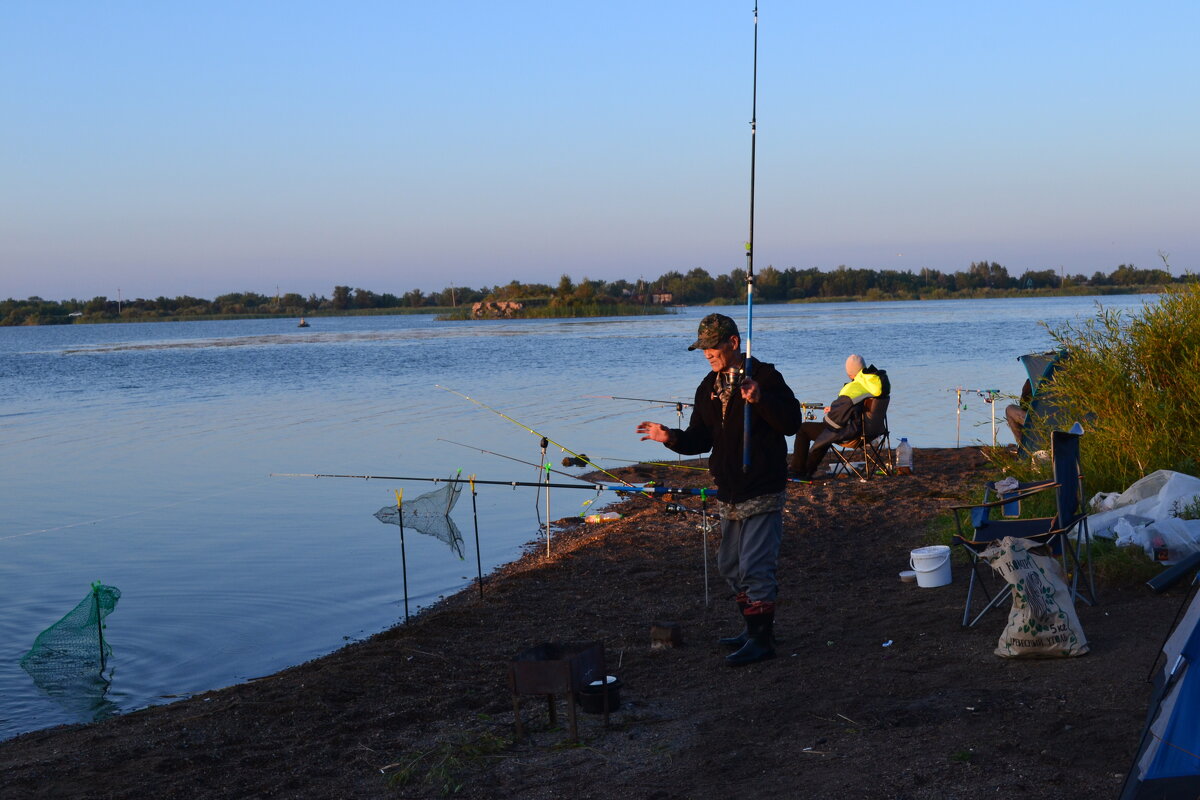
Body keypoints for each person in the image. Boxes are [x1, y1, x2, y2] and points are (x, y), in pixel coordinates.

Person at [636, 313, 801, 667]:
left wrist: (760, 400)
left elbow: (792, 423)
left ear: (734, 343)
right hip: (728, 489)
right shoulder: (707, 388)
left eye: (713, 347)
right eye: (703, 349)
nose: (708, 354)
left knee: (756, 567)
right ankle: (752, 628)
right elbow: (700, 438)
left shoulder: (766, 377)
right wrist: (669, 437)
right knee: (730, 565)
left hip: (762, 486)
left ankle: (762, 640)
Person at [789, 354, 888, 479]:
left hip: (855, 434)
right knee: (825, 430)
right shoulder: (874, 384)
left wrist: (832, 412)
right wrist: (836, 409)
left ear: (849, 372)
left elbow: (835, 420)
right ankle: (807, 469)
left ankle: (798, 470)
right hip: (874, 431)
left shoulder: (853, 388)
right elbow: (858, 407)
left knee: (807, 429)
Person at [1005, 379, 1033, 446]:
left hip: (1039, 420)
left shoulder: (1032, 380)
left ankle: (1023, 447)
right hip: (1057, 421)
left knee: (1009, 409)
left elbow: (1023, 404)